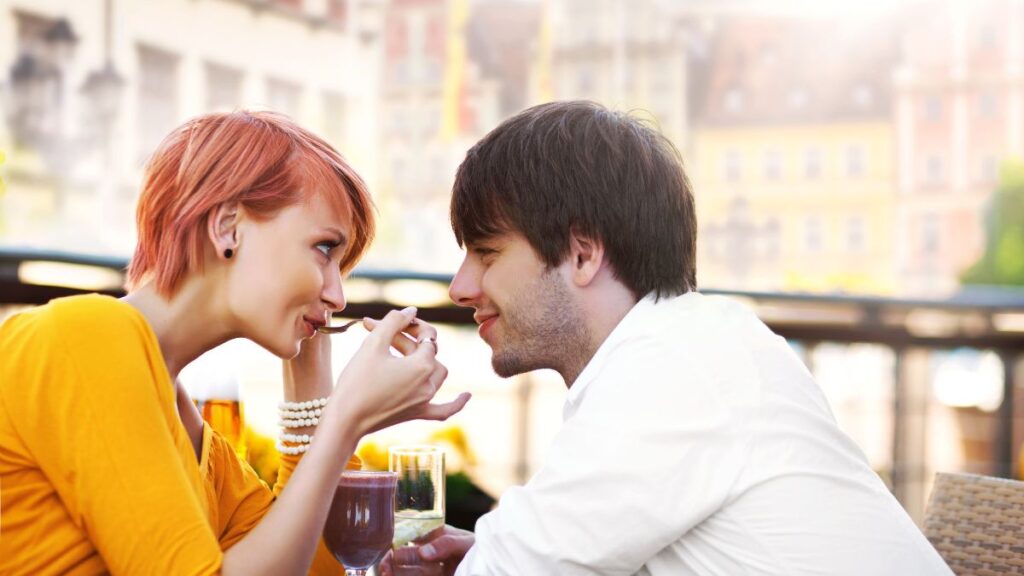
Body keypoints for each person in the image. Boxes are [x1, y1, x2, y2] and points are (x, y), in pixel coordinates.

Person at [387, 101, 952, 575]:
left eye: (487, 253)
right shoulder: (690, 346)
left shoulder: (671, 368)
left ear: (582, 254)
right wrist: (483, 553)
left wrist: (358, 413)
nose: (461, 286)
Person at [0, 110, 470, 575]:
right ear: (228, 226)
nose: (337, 294)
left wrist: (314, 385)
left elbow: (315, 568)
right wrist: (345, 419)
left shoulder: (202, 447)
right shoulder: (84, 337)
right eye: (325, 249)